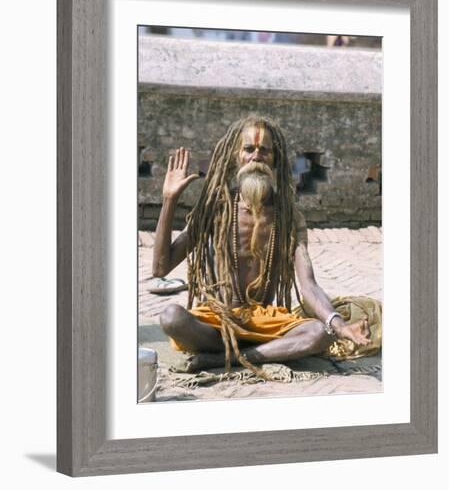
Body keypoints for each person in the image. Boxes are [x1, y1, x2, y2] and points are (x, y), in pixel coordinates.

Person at [153, 115, 381, 377]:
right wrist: (169, 200)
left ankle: (220, 360)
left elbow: (308, 285)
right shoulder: (214, 209)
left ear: (275, 160)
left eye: (265, 151)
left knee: (320, 333)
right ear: (236, 156)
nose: (256, 157)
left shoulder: (288, 217)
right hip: (217, 321)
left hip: (266, 323)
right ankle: (258, 352)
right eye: (249, 149)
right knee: (172, 318)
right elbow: (160, 268)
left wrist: (339, 325)